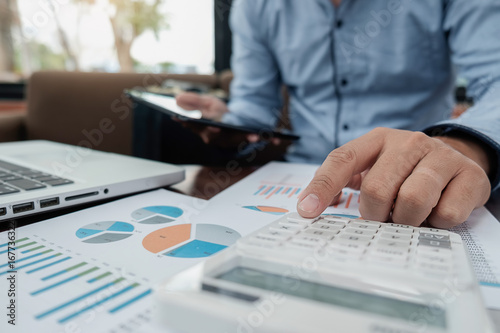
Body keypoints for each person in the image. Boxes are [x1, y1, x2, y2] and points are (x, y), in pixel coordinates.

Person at [177, 0, 500, 228]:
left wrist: (462, 146)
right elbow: (255, 105)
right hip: (291, 179)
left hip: (417, 183)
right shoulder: (256, 6)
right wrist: (229, 122)